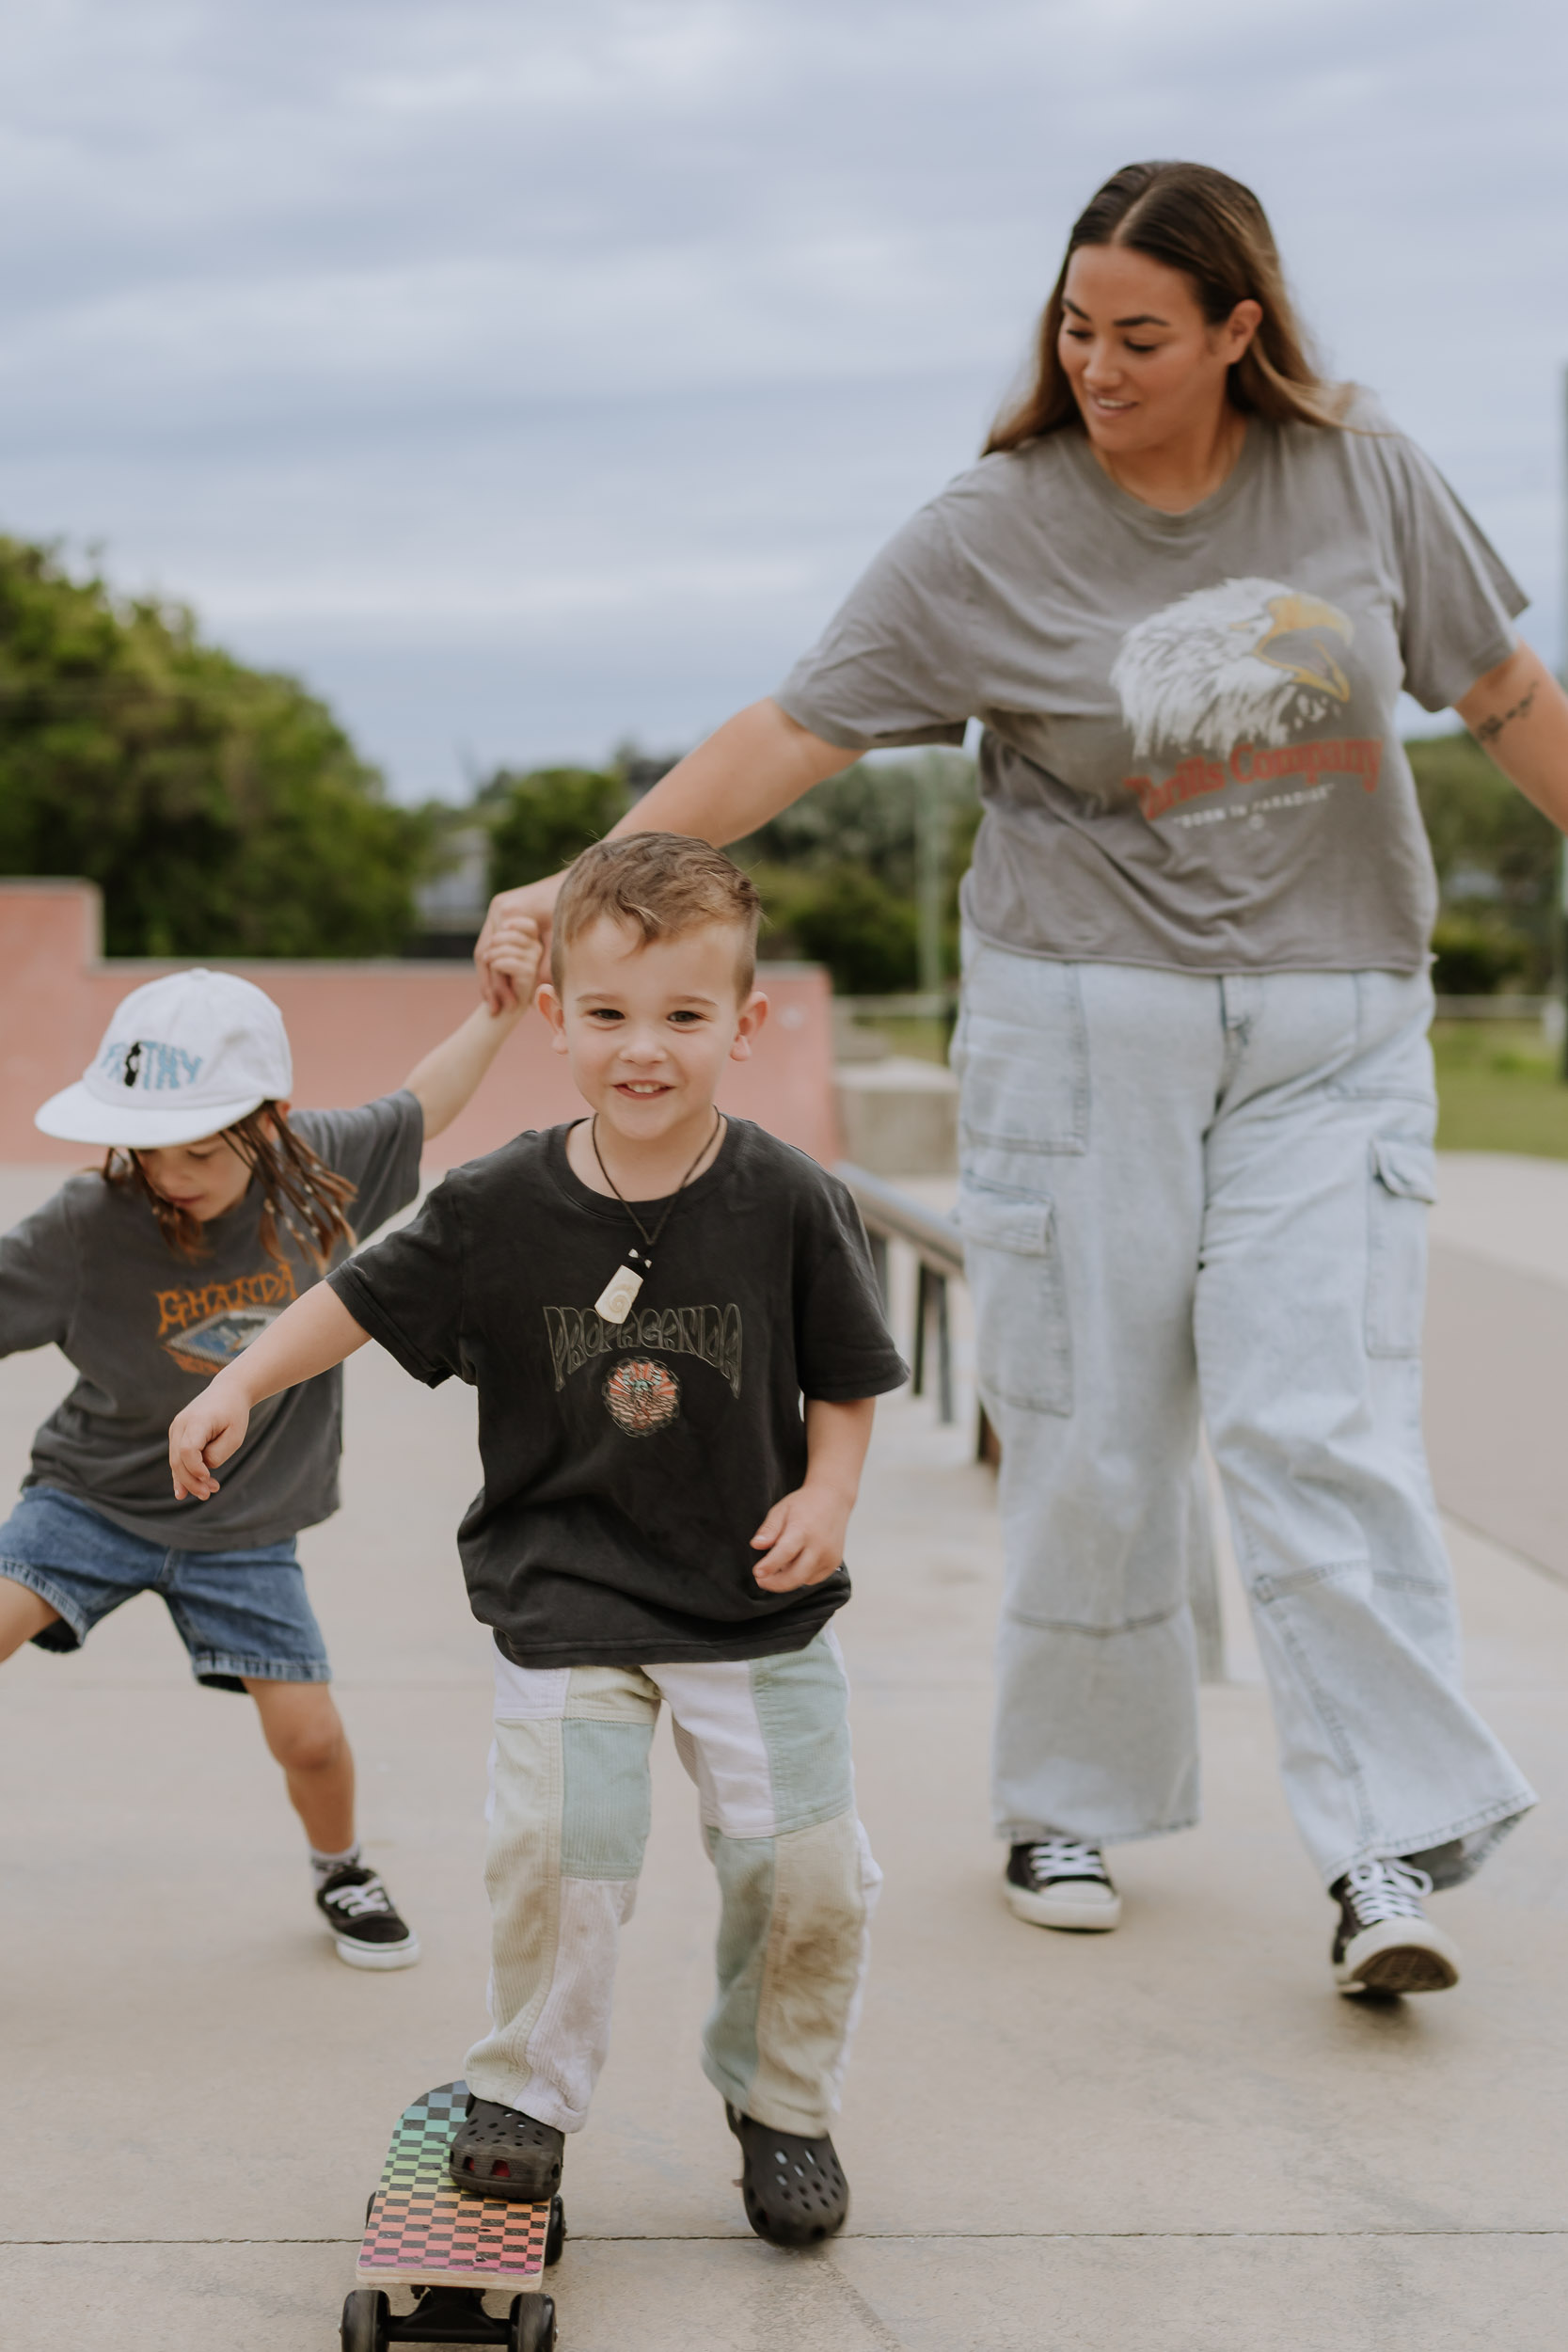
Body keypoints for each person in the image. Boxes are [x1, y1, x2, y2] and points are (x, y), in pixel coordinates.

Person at [470, 161, 1567, 2001]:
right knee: (1089, 1429)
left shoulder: (1361, 474)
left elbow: (1505, 693)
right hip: (1081, 1024)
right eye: (1073, 327)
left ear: (1238, 329)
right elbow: (788, 730)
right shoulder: (990, 527)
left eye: (1141, 334)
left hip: (1331, 1027)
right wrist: (584, 879)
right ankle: (1070, 1794)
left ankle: (1378, 1833)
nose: (1097, 362)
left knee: (1317, 1417)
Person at [168, 834, 905, 2244]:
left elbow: (850, 1375)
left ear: (742, 1027)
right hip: (565, 1589)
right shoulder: (501, 1203)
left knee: (807, 1871)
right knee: (563, 1849)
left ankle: (781, 2102)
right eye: (611, 1015)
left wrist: (829, 1496)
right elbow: (360, 1299)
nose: (644, 1050)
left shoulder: (788, 1197)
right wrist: (238, 1381)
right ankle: (527, 2095)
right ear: (556, 1016)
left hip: (751, 1599)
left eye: (684, 1017)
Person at [1, 942, 537, 1968]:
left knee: (310, 1738)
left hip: (243, 1530)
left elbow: (423, 1102)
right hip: (91, 1499)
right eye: (148, 1151)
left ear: (271, 1124)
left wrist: (501, 1012)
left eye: (199, 1152)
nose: (169, 1176)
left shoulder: (325, 1179)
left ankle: (340, 1865)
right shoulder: (85, 1224)